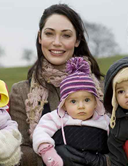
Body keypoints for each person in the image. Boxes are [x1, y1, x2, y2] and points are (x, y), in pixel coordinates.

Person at [9, 3, 106, 166]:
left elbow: (121, 142)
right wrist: (53, 156)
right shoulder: (21, 92)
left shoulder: (102, 88)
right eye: (49, 34)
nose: (56, 42)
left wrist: (102, 161)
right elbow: (17, 150)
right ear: (40, 37)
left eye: (66, 35)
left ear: (77, 40)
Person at [33, 57, 109, 166]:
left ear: (96, 102)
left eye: (87, 100)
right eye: (73, 101)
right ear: (64, 105)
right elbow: (40, 132)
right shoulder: (57, 118)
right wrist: (47, 151)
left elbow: (116, 143)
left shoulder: (104, 120)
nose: (81, 106)